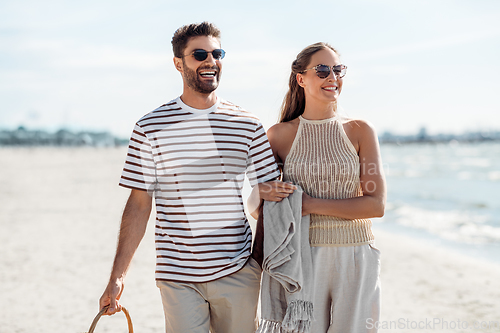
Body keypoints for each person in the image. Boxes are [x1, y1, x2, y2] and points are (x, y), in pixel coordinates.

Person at [98, 22, 292, 333]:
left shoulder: (248, 125)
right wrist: (118, 276)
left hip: (237, 271)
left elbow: (269, 197)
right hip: (177, 276)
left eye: (217, 53)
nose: (210, 61)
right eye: (199, 54)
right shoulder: (150, 127)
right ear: (178, 63)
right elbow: (138, 204)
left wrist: (255, 260)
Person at [256, 42, 387, 332]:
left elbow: (376, 204)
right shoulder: (278, 135)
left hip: (355, 257)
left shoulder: (360, 130)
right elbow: (258, 207)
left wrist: (310, 205)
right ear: (301, 78)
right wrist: (264, 194)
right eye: (323, 70)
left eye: (338, 70)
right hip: (303, 258)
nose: (333, 77)